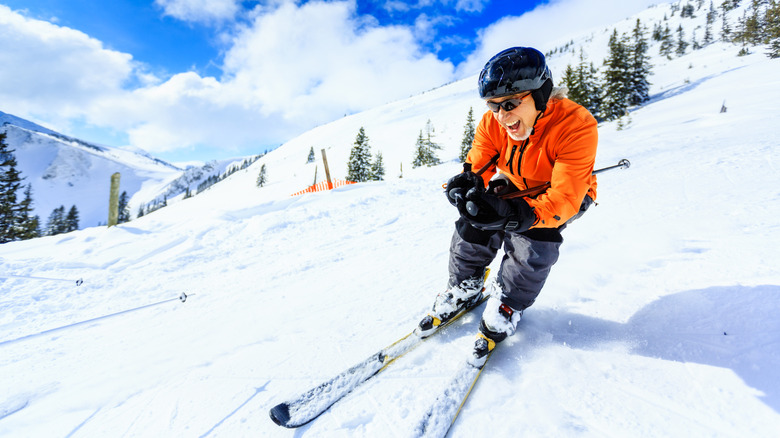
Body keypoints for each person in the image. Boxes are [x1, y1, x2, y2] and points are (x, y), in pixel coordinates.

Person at [417, 47, 599, 366]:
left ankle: (508, 303)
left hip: (563, 193)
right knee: (474, 217)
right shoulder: (493, 124)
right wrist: (465, 184)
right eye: (494, 106)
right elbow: (478, 163)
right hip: (517, 183)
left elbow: (565, 198)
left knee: (536, 237)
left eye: (511, 104)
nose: (502, 116)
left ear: (541, 94)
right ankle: (465, 287)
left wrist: (517, 217)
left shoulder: (576, 124)